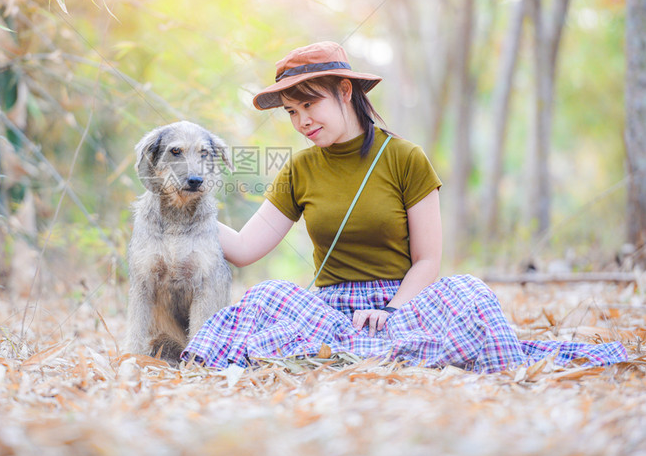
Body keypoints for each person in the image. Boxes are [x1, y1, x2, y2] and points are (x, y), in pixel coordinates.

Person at [180, 41, 627, 372]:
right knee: (265, 298)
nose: (302, 122)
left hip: (404, 304)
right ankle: (354, 352)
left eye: (309, 104)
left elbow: (428, 260)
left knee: (470, 293)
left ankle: (362, 353)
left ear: (344, 90)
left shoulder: (405, 158)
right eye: (292, 112)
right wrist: (184, 206)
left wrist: (393, 311)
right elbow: (241, 249)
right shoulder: (300, 169)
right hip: (331, 312)